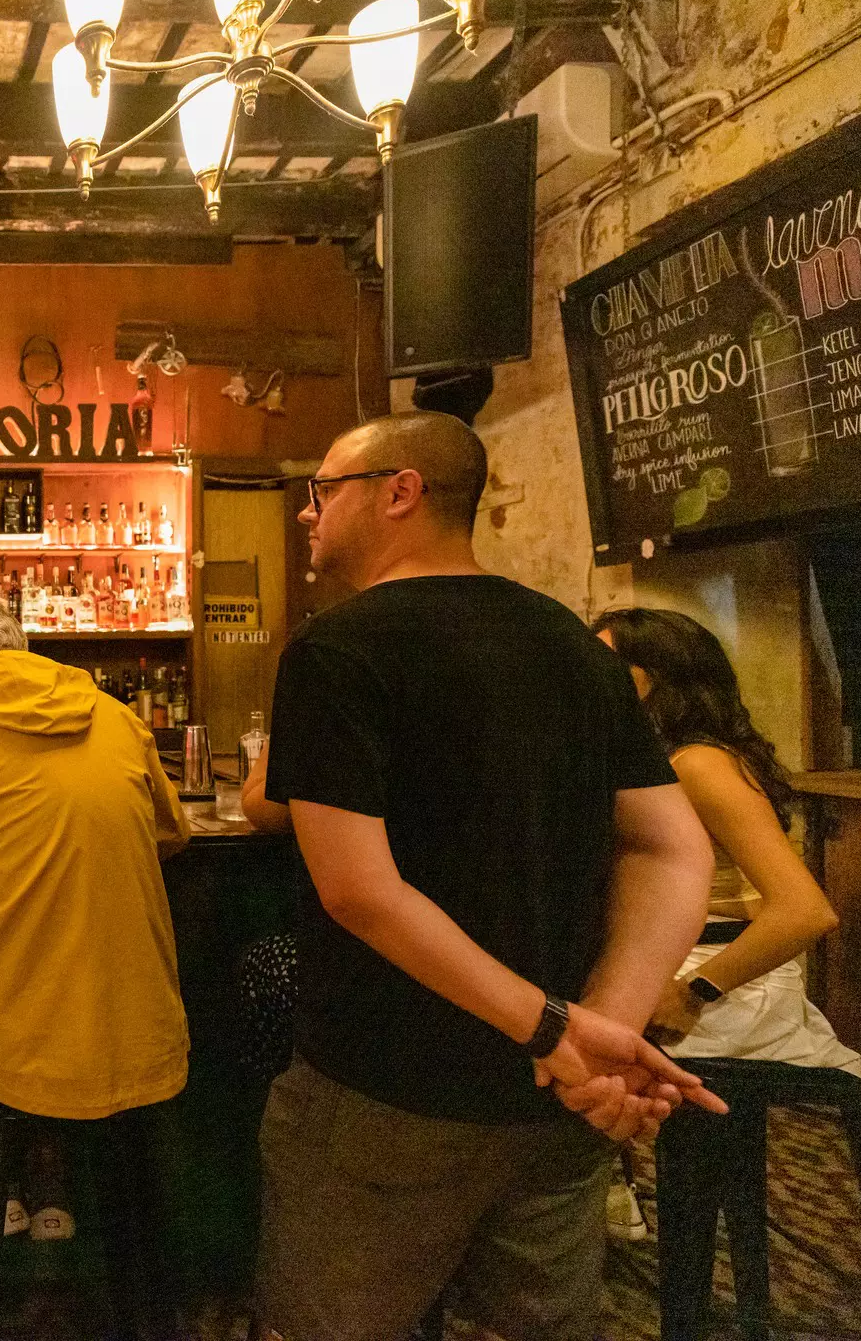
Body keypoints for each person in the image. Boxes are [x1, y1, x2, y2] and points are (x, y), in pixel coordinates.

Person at [256, 410, 727, 1341]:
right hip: (554, 1099)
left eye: (323, 491)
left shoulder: (338, 647)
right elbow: (674, 847)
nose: (308, 514)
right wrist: (603, 1029)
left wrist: (560, 1026)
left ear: (400, 492)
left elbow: (359, 890)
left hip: (386, 1090)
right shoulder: (570, 642)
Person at [0, 595, 191, 1340]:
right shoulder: (114, 714)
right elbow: (172, 829)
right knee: (130, 1193)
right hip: (124, 1020)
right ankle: (147, 1318)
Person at [593, 606, 861, 1337]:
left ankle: (592, 1210)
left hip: (729, 983)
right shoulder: (668, 758)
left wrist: (692, 991)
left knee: (560, 1035)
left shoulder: (698, 763)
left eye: (603, 665)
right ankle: (603, 1201)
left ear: (652, 681)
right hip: (702, 966)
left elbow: (805, 912)